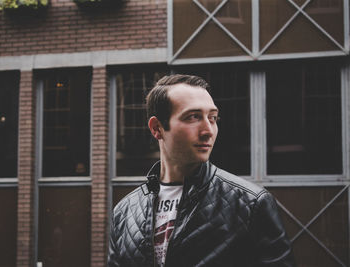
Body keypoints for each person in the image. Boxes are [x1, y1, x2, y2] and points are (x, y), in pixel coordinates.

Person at [108, 74, 295, 267]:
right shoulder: (124, 212)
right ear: (157, 128)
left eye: (212, 118)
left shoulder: (251, 204)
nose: (208, 130)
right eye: (193, 117)